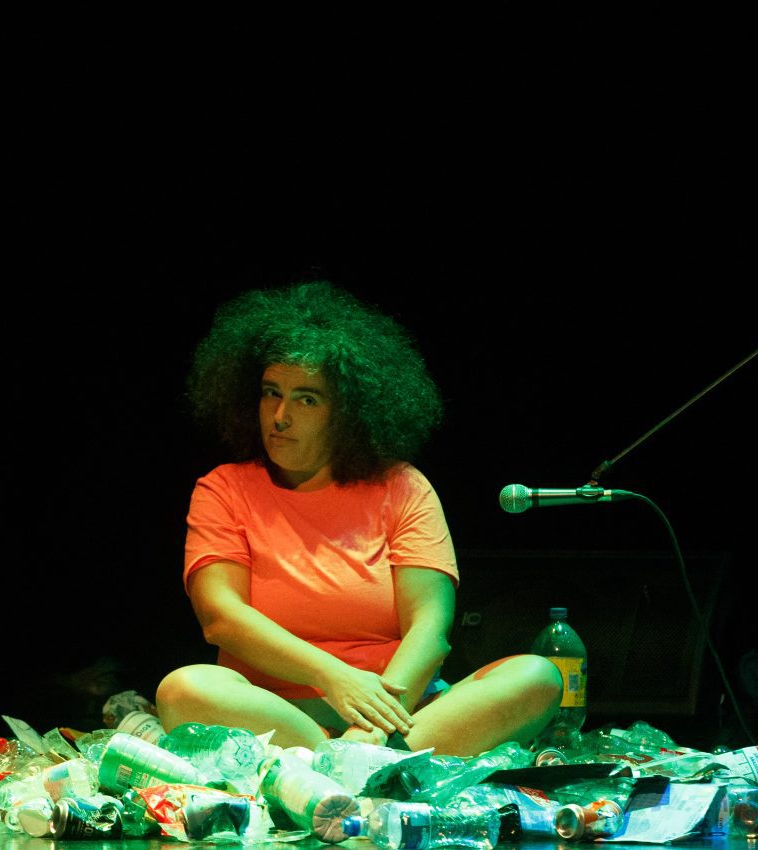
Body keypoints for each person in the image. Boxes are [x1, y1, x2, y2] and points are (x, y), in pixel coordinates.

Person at [156, 280, 560, 754]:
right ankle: (358, 763)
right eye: (271, 393)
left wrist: (375, 718)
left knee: (537, 676)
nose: (280, 416)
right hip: (272, 713)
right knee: (183, 689)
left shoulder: (402, 486)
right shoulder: (224, 488)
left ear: (348, 412)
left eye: (307, 399)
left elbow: (430, 628)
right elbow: (221, 619)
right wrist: (335, 677)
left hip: (399, 711)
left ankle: (341, 761)